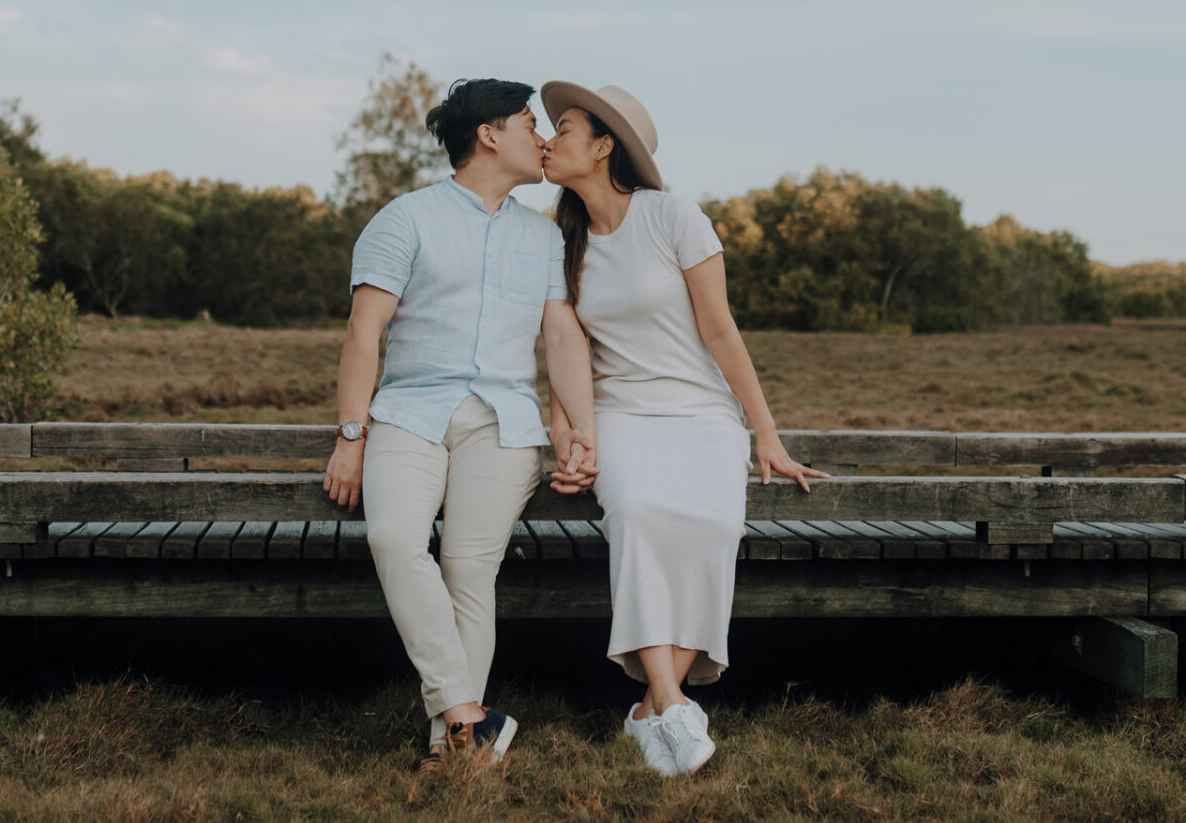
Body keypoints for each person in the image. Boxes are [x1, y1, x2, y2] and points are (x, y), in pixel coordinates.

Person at [539, 81, 825, 777]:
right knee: (636, 512)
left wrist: (765, 434)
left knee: (715, 523)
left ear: (604, 147)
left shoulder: (674, 217)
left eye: (566, 129)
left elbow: (720, 330)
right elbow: (559, 363)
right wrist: (571, 445)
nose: (549, 139)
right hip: (621, 418)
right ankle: (669, 703)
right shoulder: (555, 244)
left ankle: (646, 711)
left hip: (701, 413)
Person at [324, 78, 597, 767]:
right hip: (409, 415)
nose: (542, 138)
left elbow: (561, 337)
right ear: (488, 135)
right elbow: (365, 335)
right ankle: (467, 715)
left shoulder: (541, 238)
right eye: (529, 124)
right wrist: (351, 439)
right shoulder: (403, 219)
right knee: (393, 536)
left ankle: (452, 742)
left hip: (503, 427)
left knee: (469, 570)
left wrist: (580, 434)